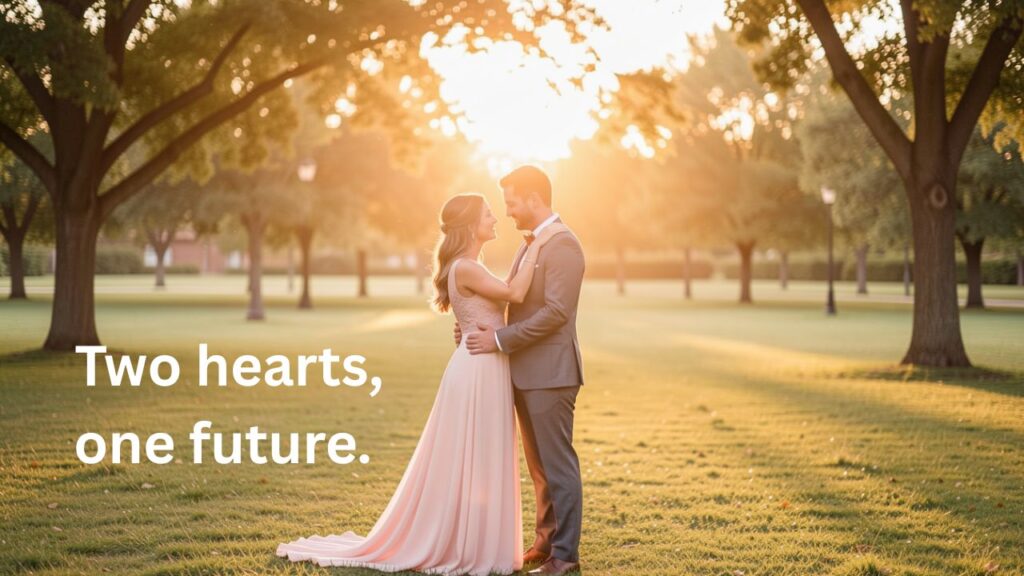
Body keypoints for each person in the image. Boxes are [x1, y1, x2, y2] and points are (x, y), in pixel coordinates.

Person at [276, 192, 566, 576]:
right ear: (470, 225)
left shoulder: (468, 266)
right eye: (487, 214)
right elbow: (514, 293)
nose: (495, 218)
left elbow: (485, 308)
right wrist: (539, 243)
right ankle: (468, 544)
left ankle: (480, 541)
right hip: (479, 368)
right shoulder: (465, 266)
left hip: (484, 363)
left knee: (481, 455)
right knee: (473, 454)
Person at [459, 165, 586, 575]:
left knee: (557, 465)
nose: (508, 211)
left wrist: (498, 340)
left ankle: (565, 556)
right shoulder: (532, 243)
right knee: (539, 468)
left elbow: (555, 313)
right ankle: (545, 543)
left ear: (534, 198)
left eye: (512, 202)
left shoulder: (562, 244)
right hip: (527, 372)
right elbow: (514, 300)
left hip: (551, 373)